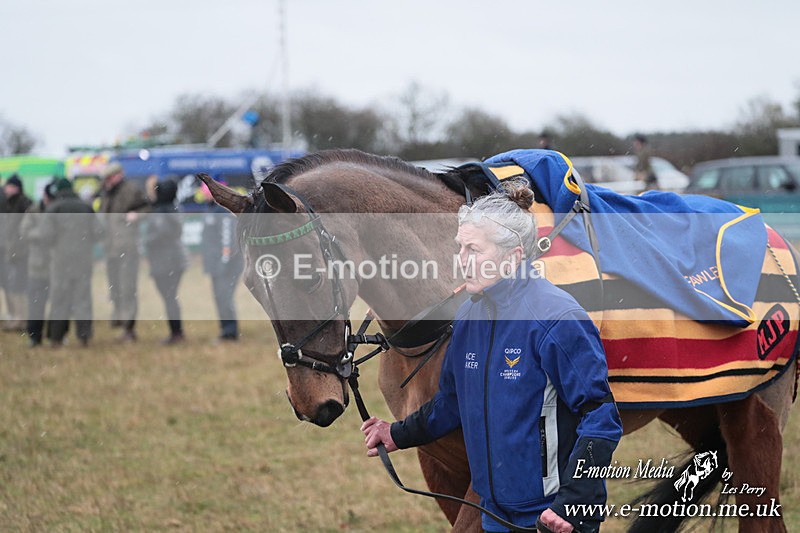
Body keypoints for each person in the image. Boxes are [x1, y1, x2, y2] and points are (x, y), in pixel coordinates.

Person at [361, 181, 622, 533]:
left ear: (513, 256)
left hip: (554, 518)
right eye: (460, 248)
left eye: (473, 250)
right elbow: (452, 402)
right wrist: (398, 434)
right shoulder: (468, 317)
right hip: (494, 513)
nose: (461, 261)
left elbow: (601, 418)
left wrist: (574, 502)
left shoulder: (557, 319)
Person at [41, 178, 97, 347]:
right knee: (82, 298)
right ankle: (84, 337)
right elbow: (99, 231)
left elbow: (46, 236)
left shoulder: (53, 208)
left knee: (59, 298)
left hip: (61, 260)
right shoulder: (85, 207)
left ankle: (56, 338)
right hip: (83, 260)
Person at [99, 162, 148, 342]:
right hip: (111, 248)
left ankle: (129, 328)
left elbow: (147, 208)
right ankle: (119, 317)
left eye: (110, 178)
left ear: (119, 175)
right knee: (115, 287)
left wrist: (137, 215)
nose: (108, 181)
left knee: (128, 288)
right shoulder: (107, 194)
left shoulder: (131, 190)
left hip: (127, 248)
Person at [143, 179, 188, 344]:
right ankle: (177, 332)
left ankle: (176, 333)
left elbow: (160, 235)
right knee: (170, 297)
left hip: (166, 261)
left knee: (169, 297)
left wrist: (147, 241)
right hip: (174, 259)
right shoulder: (173, 208)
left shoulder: (161, 211)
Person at [200, 181, 243, 341]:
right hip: (217, 264)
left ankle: (230, 333)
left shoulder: (223, 211)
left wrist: (224, 262)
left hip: (227, 265)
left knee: (224, 297)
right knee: (219, 297)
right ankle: (225, 329)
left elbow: (228, 239)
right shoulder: (210, 210)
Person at [19, 180, 56, 347]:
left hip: (55, 265)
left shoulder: (58, 210)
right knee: (36, 303)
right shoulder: (34, 211)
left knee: (57, 303)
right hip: (37, 265)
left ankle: (55, 336)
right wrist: (42, 234)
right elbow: (24, 232)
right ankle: (34, 336)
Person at [3, 174, 33, 331]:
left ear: (15, 187)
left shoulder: (23, 203)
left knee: (20, 286)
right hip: (13, 250)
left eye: (8, 186)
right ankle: (18, 318)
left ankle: (23, 319)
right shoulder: (11, 203)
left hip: (22, 252)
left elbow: (25, 229)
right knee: (15, 285)